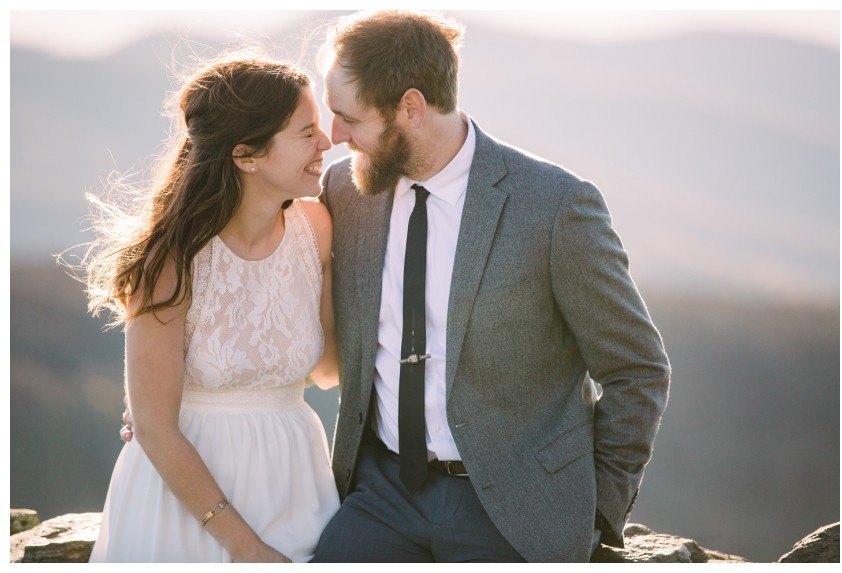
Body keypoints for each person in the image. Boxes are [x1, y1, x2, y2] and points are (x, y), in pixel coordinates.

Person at [311, 10, 671, 563]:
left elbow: (637, 368)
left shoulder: (554, 207)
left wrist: (598, 513)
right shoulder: (345, 189)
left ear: (411, 108)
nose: (334, 136)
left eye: (348, 118)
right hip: (378, 495)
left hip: (512, 510)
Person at [83, 52, 340, 562]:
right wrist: (245, 548)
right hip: (188, 495)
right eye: (306, 131)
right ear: (247, 155)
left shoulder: (317, 229)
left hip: (296, 483)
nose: (326, 143)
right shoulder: (169, 261)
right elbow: (156, 429)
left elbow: (329, 370)